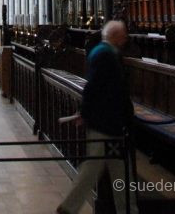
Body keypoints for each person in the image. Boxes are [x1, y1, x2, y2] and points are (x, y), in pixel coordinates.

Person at [56, 20, 138, 214]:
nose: (126, 38)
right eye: (123, 34)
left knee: (113, 170)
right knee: (97, 169)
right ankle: (69, 207)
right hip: (107, 123)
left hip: (108, 122)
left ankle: (126, 208)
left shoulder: (103, 52)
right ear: (115, 36)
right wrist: (84, 112)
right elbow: (93, 87)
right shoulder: (105, 55)